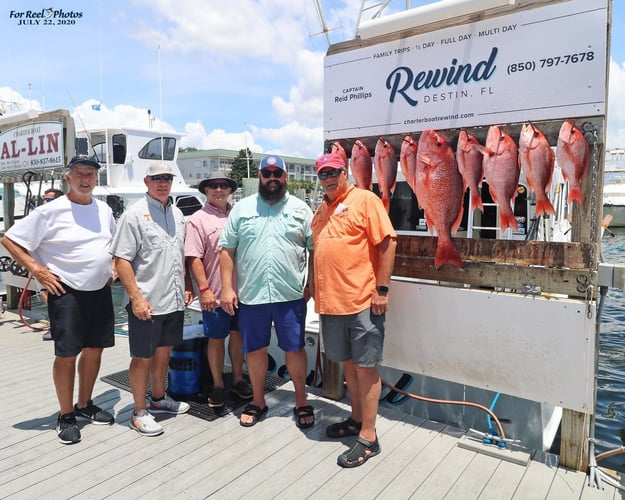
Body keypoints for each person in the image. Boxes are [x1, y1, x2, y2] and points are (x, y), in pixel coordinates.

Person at [1, 155, 117, 445]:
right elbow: (9, 239)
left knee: (95, 350)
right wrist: (38, 271)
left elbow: (113, 245)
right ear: (68, 178)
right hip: (66, 292)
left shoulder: (103, 209)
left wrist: (114, 267)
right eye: (79, 173)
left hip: (99, 290)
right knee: (66, 355)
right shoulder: (50, 211)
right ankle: (66, 415)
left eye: (91, 174)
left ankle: (85, 404)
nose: (85, 179)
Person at [310, 152, 397, 468]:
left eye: (334, 171)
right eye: (323, 174)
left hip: (362, 301)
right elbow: (317, 253)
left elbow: (387, 243)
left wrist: (382, 290)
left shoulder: (365, 199)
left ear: (345, 171)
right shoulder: (321, 210)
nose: (329, 178)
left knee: (366, 368)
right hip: (331, 305)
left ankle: (369, 437)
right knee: (348, 365)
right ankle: (356, 418)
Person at [220, 155, 315, 429]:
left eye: (277, 173)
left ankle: (300, 400)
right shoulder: (242, 209)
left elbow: (313, 249)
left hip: (291, 296)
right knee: (255, 349)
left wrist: (310, 285)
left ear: (284, 177)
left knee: (294, 348)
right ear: (260, 177)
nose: (271, 178)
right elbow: (227, 249)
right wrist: (227, 287)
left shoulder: (301, 209)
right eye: (266, 173)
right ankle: (258, 400)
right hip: (252, 295)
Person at [111, 162, 194, 437]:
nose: (162, 183)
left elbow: (178, 255)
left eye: (167, 178)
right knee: (142, 357)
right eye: (157, 178)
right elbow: (121, 259)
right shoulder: (134, 215)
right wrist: (136, 298)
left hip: (172, 300)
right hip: (146, 303)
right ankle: (139, 410)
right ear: (146, 181)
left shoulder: (178, 213)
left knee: (163, 353)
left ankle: (158, 398)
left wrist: (186, 284)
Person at [185, 172, 252, 408]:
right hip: (214, 292)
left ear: (231, 190)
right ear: (205, 190)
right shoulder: (197, 219)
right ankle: (217, 384)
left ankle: (237, 378)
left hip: (243, 292)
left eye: (223, 185)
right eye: (213, 186)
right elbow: (194, 258)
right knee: (215, 338)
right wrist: (203, 289)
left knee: (238, 336)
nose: (219, 189)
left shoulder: (240, 215)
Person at [39, 188, 66, 341]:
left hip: (59, 269)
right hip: (43, 268)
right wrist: (34, 267)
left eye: (48, 200)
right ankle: (55, 326)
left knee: (58, 297)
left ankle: (58, 327)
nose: (44, 202)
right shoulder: (40, 217)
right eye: (44, 199)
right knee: (46, 294)